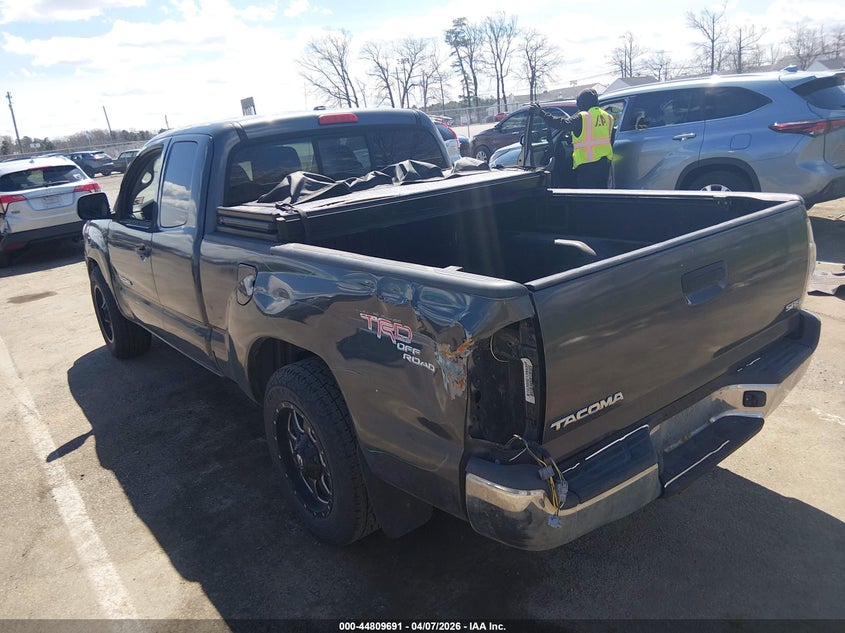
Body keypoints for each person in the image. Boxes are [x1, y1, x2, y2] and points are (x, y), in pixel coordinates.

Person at [531, 89, 614, 189]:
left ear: (583, 103)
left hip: (587, 164)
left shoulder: (583, 117)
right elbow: (599, 135)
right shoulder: (608, 117)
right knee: (602, 193)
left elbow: (562, 124)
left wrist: (542, 114)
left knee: (587, 196)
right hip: (604, 164)